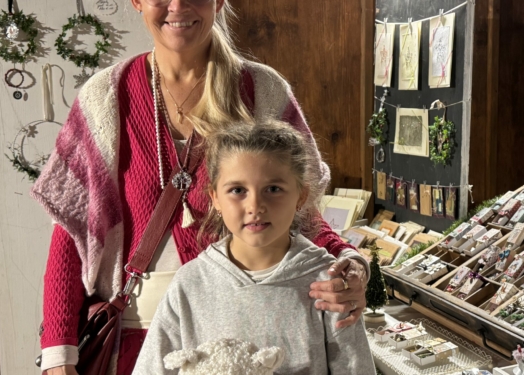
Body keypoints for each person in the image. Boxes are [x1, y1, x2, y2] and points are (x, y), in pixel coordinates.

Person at [31, 1, 367, 373]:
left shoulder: (263, 90)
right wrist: (58, 352)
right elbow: (71, 230)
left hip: (243, 339)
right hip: (129, 343)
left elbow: (296, 208)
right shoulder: (105, 97)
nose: (177, 6)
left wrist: (349, 263)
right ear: (137, 1)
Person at [133, 122, 375, 374]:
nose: (255, 205)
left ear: (301, 196)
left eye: (273, 189)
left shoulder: (328, 285)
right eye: (237, 190)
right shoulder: (190, 283)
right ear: (215, 197)